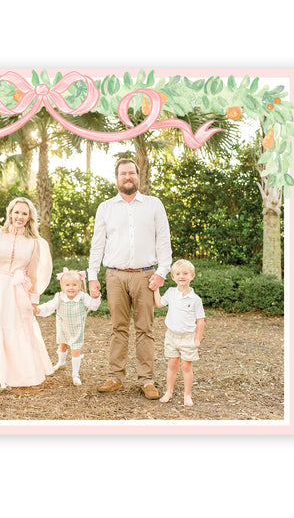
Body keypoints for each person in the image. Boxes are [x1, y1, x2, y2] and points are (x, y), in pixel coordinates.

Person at [88, 158, 172, 399]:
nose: (128, 177)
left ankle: (147, 380)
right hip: (115, 276)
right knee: (118, 328)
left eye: (131, 173)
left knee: (145, 329)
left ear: (138, 176)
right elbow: (97, 244)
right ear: (116, 178)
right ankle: (115, 377)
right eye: (123, 173)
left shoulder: (154, 205)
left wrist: (161, 272)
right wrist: (92, 276)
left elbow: (163, 240)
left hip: (145, 275)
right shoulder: (106, 207)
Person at [0, 197, 53, 390]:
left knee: (17, 328)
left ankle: (20, 374)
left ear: (29, 217)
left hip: (17, 292)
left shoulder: (33, 243)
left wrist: (34, 300)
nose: (20, 216)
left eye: (24, 213)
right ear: (10, 213)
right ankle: (2, 377)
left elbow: (33, 274)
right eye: (17, 212)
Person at [35, 267, 101, 386]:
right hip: (63, 327)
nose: (71, 287)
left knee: (75, 350)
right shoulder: (60, 297)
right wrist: (39, 309)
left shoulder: (82, 297)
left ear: (80, 285)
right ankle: (61, 363)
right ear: (62, 286)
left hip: (76, 329)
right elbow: (49, 306)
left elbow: (93, 306)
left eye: (74, 285)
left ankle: (75, 374)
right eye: (67, 285)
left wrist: (95, 298)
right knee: (63, 345)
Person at [153, 259, 205, 406]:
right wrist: (156, 289)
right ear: (173, 277)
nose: (181, 276)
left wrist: (197, 339)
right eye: (178, 274)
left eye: (185, 273)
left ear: (192, 276)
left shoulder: (195, 299)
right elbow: (159, 304)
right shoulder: (171, 292)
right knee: (172, 365)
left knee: (186, 366)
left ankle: (187, 395)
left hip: (188, 337)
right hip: (171, 336)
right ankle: (169, 392)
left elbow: (200, 321)